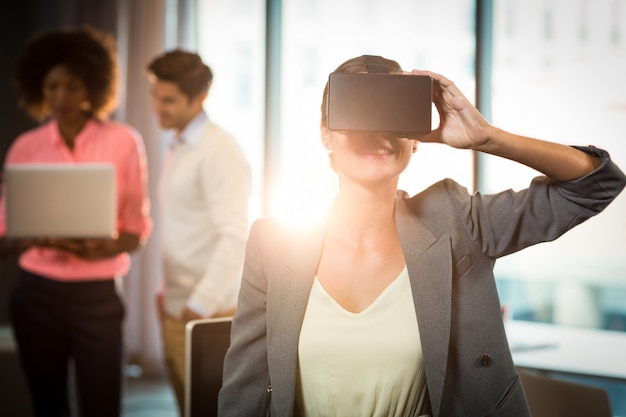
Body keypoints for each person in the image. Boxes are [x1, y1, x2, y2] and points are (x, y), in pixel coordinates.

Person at [217, 55, 626, 417]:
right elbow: (245, 390)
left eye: (393, 117)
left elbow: (595, 186)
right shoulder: (273, 243)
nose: (377, 133)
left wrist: (487, 137)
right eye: (358, 113)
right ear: (325, 134)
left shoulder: (457, 222)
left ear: (415, 139)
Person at [0, 26, 152, 417]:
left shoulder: (123, 142)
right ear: (39, 88)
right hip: (36, 295)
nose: (61, 97)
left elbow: (135, 231)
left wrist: (99, 245)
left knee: (103, 404)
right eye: (52, 87)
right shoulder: (25, 148)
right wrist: (35, 237)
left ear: (92, 87)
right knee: (48, 405)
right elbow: (5, 235)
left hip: (97, 296)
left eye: (72, 86)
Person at [145, 49, 251, 415]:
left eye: (169, 99)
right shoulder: (179, 145)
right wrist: (167, 292)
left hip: (207, 311)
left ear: (200, 98)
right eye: (156, 96)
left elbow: (235, 237)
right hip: (178, 305)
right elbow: (183, 226)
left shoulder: (218, 149)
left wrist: (198, 306)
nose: (159, 106)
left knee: (207, 409)